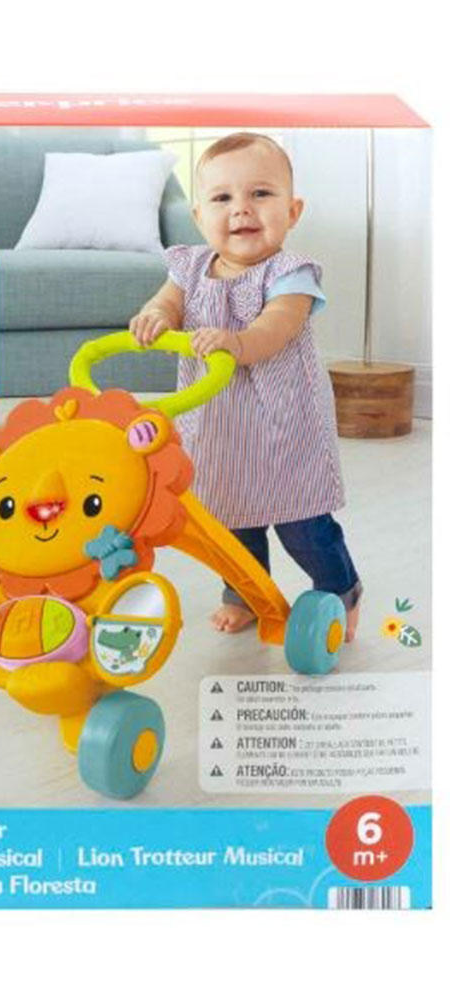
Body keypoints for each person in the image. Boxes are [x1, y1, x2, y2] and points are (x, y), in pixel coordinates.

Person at [130, 132, 361, 639]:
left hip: (284, 427)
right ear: (199, 216)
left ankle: (341, 588)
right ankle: (244, 593)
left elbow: (275, 329)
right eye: (223, 197)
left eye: (260, 193)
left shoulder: (291, 274)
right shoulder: (188, 267)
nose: (241, 209)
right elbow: (167, 303)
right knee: (231, 521)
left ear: (292, 211)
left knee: (303, 526)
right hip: (218, 426)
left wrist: (237, 343)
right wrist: (155, 315)